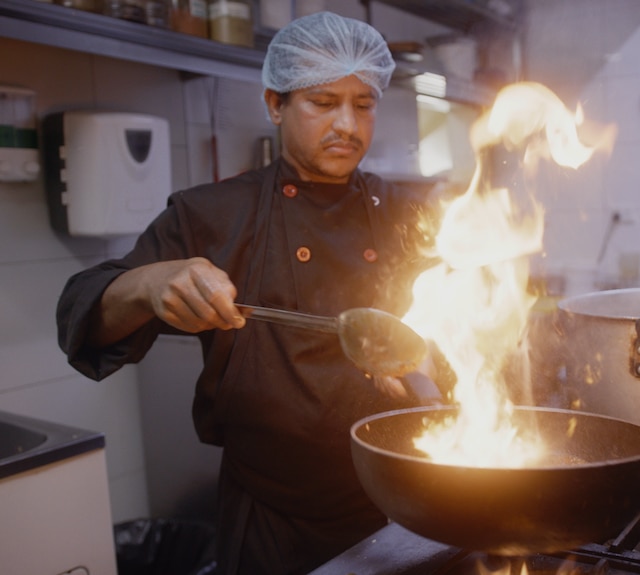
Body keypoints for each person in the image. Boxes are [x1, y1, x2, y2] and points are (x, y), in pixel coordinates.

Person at [56, 11, 443, 574]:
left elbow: (454, 336)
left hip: (397, 507)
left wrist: (425, 373)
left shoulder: (408, 214)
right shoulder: (212, 215)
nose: (348, 125)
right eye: (322, 102)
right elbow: (81, 307)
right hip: (270, 521)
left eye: (364, 104)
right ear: (274, 105)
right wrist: (147, 285)